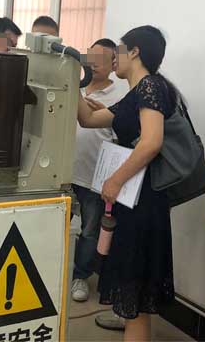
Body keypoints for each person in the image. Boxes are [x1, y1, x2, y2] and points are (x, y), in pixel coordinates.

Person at [77, 26, 179, 341]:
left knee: (134, 292)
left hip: (142, 201)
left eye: (119, 50)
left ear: (134, 52)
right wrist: (71, 79)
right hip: (132, 199)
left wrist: (115, 180)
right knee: (133, 296)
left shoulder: (150, 86)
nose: (114, 58)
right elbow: (87, 119)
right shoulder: (136, 93)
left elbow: (151, 142)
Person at [71, 38, 127, 303]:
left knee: (89, 231)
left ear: (113, 63)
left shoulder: (120, 96)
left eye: (101, 59)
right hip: (62, 173)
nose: (93, 63)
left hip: (93, 178)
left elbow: (123, 138)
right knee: (53, 225)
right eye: (90, 56)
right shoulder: (72, 87)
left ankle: (80, 276)